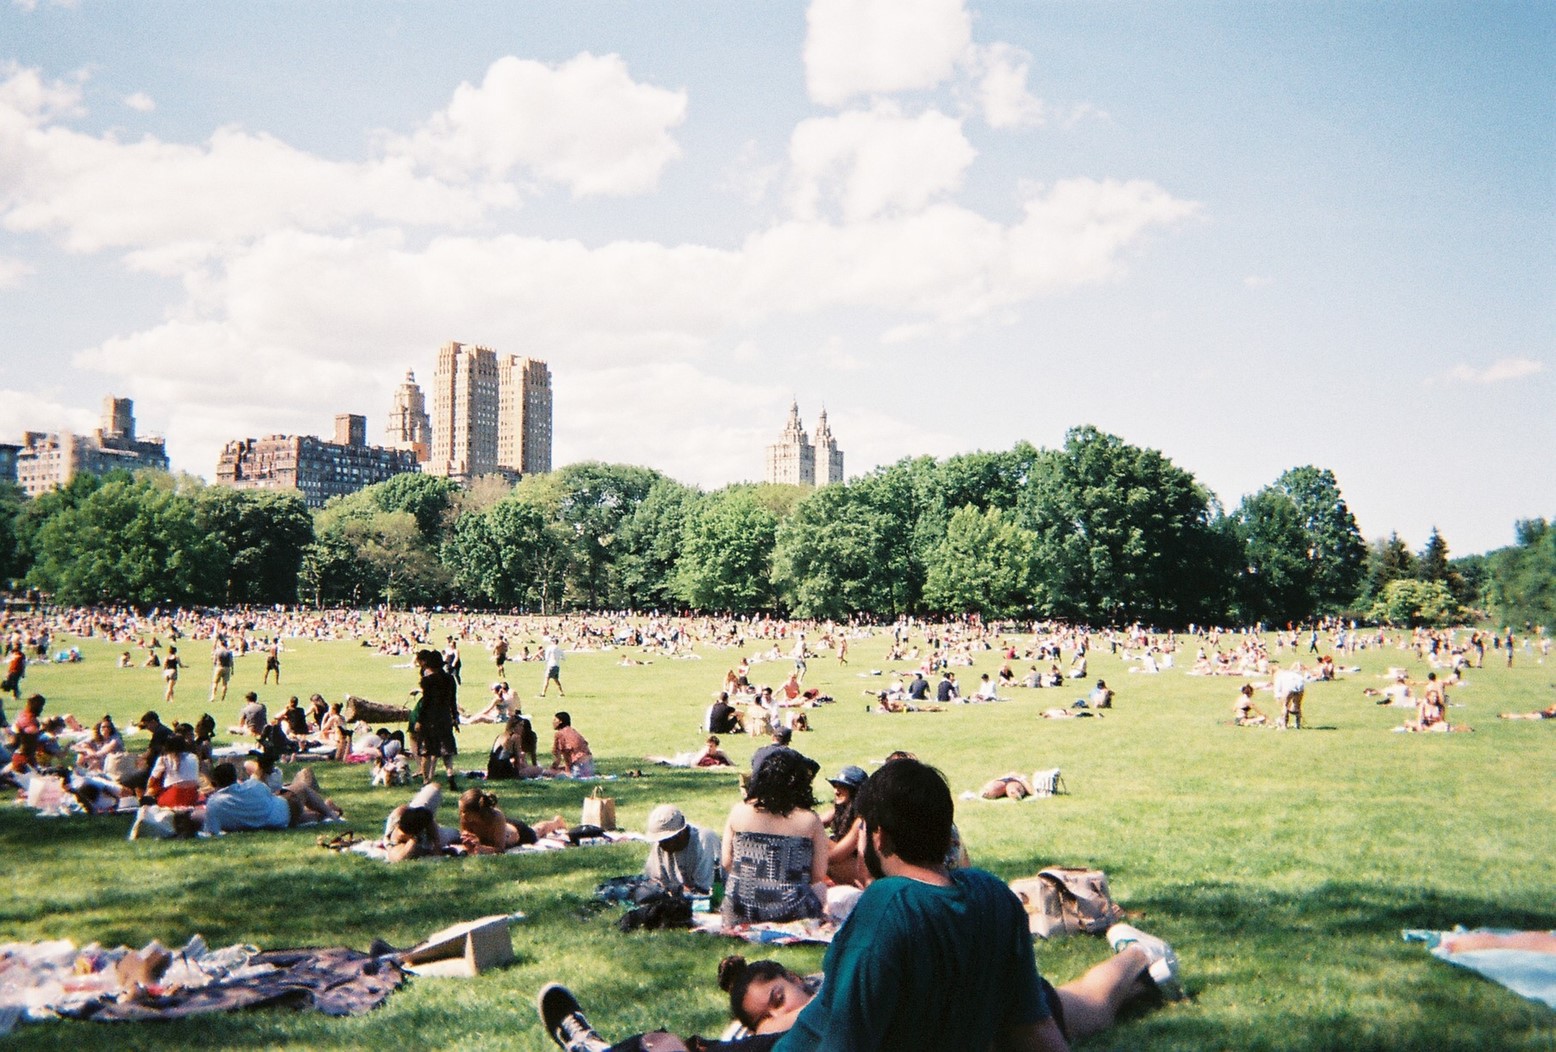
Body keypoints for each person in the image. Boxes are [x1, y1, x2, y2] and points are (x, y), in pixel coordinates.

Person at [537, 758, 1183, 1052]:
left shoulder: (888, 911)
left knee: (662, 1046)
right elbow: (1035, 1030)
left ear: (875, 835)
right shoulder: (991, 896)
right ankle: (1140, 964)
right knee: (1075, 1003)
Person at [720, 748, 829, 927]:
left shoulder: (738, 811)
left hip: (740, 909)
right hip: (793, 911)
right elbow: (818, 874)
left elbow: (726, 862)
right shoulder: (810, 820)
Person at [643, 803, 722, 896]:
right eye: (660, 841)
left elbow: (706, 890)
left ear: (682, 832)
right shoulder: (661, 845)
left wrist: (678, 890)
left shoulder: (704, 839)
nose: (662, 845)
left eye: (667, 840)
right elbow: (654, 882)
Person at [410, 647, 460, 788]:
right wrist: (455, 717)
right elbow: (453, 700)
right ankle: (450, 774)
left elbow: (426, 702)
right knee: (446, 749)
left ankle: (426, 780)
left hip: (430, 719)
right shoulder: (450, 679)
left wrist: (419, 720)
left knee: (427, 751)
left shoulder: (427, 681)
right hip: (445, 717)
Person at [821, 765, 867, 886]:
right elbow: (817, 821)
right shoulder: (839, 810)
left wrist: (814, 835)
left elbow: (836, 855)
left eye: (842, 787)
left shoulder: (862, 820)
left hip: (863, 875)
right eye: (835, 786)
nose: (836, 791)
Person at [551, 711, 595, 777]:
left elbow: (561, 757)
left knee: (547, 772)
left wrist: (552, 769)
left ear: (560, 721)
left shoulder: (560, 734)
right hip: (590, 767)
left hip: (578, 768)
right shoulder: (573, 731)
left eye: (555, 720)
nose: (553, 722)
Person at [1272, 661, 1306, 730]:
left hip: (1289, 687)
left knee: (1285, 705)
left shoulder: (1279, 677)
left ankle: (1284, 725)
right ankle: (1298, 725)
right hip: (1300, 683)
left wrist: (1279, 701)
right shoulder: (1289, 673)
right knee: (1297, 705)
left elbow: (1277, 692)